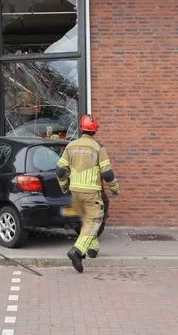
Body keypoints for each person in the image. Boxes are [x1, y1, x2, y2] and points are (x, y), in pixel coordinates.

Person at [57, 113, 120, 273]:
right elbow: (107, 174)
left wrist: (64, 186)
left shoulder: (71, 146)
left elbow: (60, 170)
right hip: (91, 191)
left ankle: (93, 248)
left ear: (81, 129)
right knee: (95, 220)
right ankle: (77, 251)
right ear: (95, 131)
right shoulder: (98, 147)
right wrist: (114, 188)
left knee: (86, 218)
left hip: (75, 191)